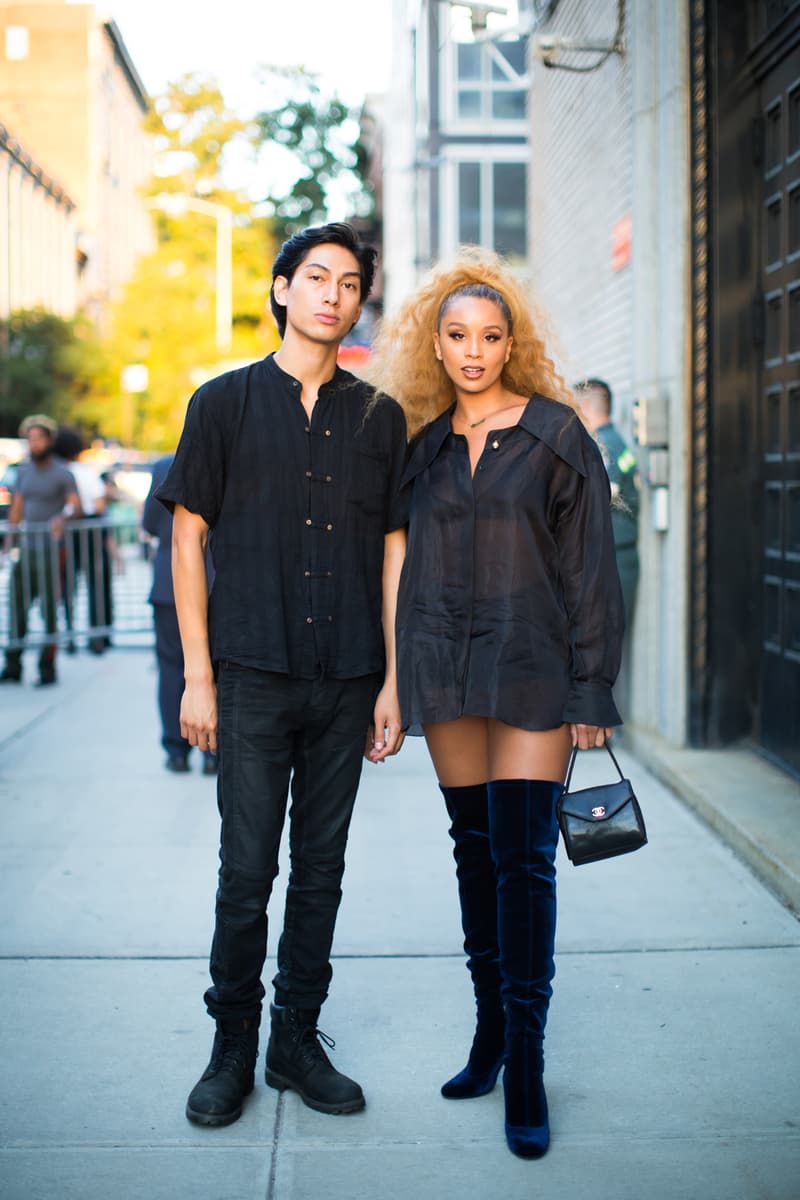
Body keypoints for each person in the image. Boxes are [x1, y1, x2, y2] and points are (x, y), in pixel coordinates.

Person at [370, 251, 624, 1159]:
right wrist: (394, 686)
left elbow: (591, 571)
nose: (473, 352)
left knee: (525, 863)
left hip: (531, 672)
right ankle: (486, 1032)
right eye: (457, 336)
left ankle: (524, 1059)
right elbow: (398, 568)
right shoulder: (422, 448)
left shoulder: (558, 436)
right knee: (475, 856)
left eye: (489, 336)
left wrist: (592, 689)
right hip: (445, 670)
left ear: (511, 344)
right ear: (434, 346)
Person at [156, 222, 409, 1128]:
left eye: (348, 283)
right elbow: (188, 539)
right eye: (315, 278)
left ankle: (296, 1039)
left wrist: (392, 681)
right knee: (244, 871)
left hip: (347, 678)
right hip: (253, 674)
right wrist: (197, 675)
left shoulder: (380, 418)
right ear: (280, 290)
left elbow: (392, 550)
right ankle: (231, 1047)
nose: (332, 295)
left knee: (323, 871)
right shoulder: (222, 404)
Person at [142, 455, 217, 775]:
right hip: (215, 576)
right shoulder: (224, 459)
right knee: (218, 666)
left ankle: (176, 749)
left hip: (168, 581)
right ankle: (214, 749)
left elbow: (149, 521)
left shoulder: (163, 466)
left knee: (172, 667)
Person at [1, 415, 80, 686]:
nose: (33, 444)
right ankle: (13, 664)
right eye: (30, 439)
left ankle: (47, 666)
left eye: (38, 438)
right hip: (27, 549)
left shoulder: (63, 473)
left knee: (49, 610)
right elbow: (17, 508)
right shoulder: (23, 471)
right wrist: (9, 542)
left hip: (50, 550)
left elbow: (73, 505)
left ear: (49, 441)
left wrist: (63, 517)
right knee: (17, 607)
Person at [573, 378, 640, 621]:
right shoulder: (615, 441)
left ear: (587, 408)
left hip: (613, 558)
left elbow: (605, 491)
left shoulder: (604, 446)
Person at [53, 426, 112, 655]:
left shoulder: (57, 471)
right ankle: (98, 637)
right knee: (96, 584)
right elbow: (99, 505)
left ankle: (69, 636)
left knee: (68, 586)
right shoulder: (85, 472)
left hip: (67, 532)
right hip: (89, 531)